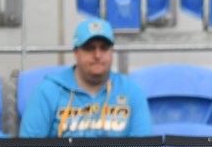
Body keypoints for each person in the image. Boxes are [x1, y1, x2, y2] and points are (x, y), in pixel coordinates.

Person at [19, 18, 152, 138]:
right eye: (89, 48)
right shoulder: (47, 91)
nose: (98, 55)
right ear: (76, 53)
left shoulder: (132, 92)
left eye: (104, 48)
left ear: (112, 52)